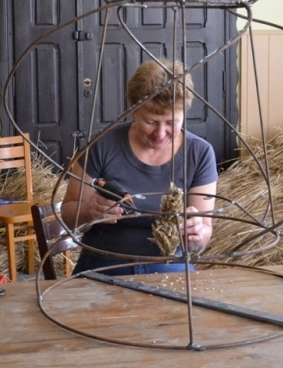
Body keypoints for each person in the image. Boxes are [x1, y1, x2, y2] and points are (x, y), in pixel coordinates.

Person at [61, 59, 218, 276]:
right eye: (151, 122)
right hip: (104, 263)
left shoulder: (199, 153)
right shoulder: (101, 146)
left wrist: (196, 235)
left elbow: (203, 236)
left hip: (169, 266)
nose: (160, 133)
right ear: (133, 111)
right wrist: (89, 211)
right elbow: (68, 215)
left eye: (171, 122)